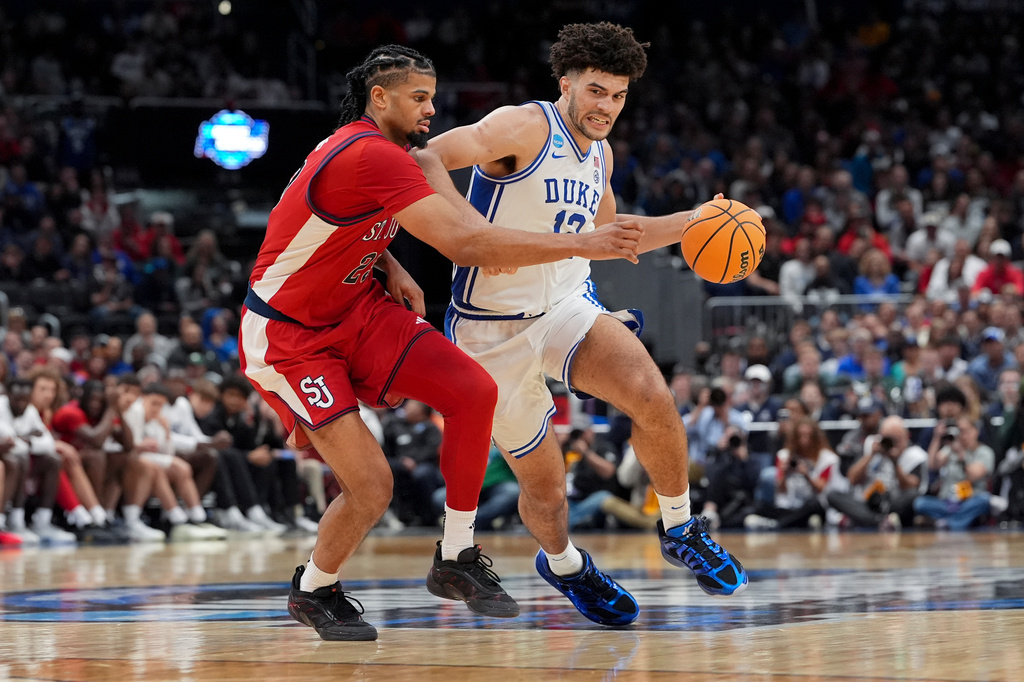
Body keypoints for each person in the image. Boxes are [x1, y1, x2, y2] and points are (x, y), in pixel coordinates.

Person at [238, 44, 643, 642]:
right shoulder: (372, 154)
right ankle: (314, 587)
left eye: (432, 96)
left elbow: (339, 222)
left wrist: (387, 263)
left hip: (358, 307)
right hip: (289, 335)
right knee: (373, 486)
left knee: (473, 390)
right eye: (419, 98)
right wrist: (585, 243)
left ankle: (456, 553)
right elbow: (468, 245)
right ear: (380, 98)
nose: (432, 109)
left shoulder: (370, 147)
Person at [412, 22, 748, 627]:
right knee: (546, 488)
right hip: (491, 328)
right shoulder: (522, 125)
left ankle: (681, 527)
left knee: (653, 396)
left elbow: (612, 238)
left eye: (618, 96)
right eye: (596, 91)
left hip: (566, 304)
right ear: (566, 82)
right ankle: (565, 565)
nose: (607, 107)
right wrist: (475, 235)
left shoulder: (601, 152)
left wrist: (697, 220)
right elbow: (426, 155)